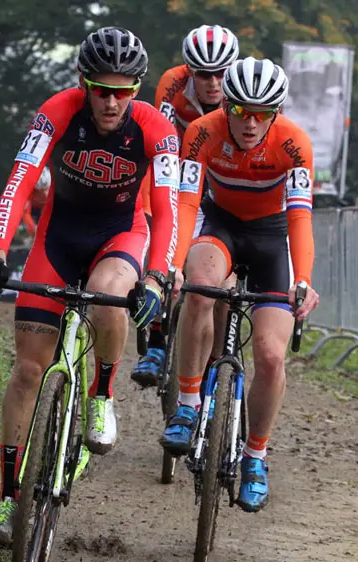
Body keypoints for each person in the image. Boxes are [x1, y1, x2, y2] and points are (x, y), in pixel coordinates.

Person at [0, 27, 179, 548]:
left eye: (123, 90)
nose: (111, 102)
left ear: (137, 88)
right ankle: (7, 499)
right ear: (83, 82)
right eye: (101, 89)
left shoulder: (156, 128)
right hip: (58, 237)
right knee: (26, 370)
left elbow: (169, 208)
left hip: (121, 234)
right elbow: (19, 179)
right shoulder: (57, 111)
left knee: (111, 296)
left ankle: (102, 392)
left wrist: (157, 274)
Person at [158, 57, 320, 512]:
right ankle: (187, 403)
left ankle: (255, 458)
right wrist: (173, 263)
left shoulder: (294, 144)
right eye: (241, 111)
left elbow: (300, 218)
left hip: (272, 238)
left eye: (263, 114)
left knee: (270, 356)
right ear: (225, 104)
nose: (250, 124)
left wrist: (303, 280)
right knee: (201, 284)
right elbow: (187, 203)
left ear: (277, 113)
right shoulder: (203, 132)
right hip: (221, 225)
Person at [130, 24, 239, 388]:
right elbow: (161, 136)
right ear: (189, 70)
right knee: (164, 247)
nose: (213, 82)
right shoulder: (172, 84)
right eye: (204, 74)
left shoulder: (239, 93)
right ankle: (157, 344)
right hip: (178, 168)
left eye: (221, 73)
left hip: (221, 173)